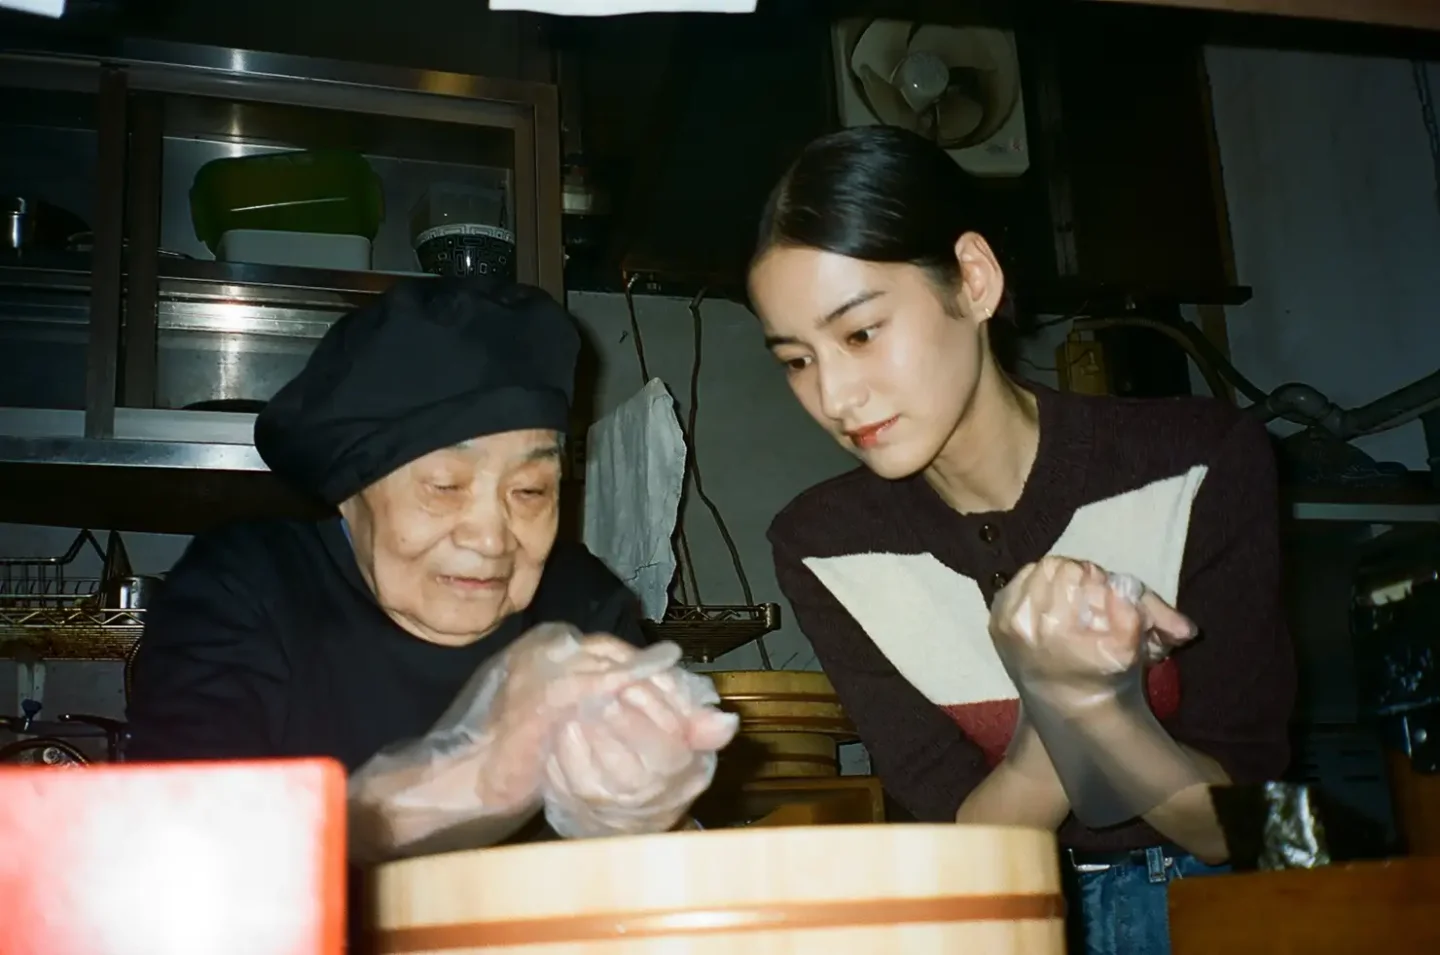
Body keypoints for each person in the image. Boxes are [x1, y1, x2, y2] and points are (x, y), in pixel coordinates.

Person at [748, 126, 1295, 955]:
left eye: (860, 332)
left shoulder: (1195, 460)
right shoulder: (823, 546)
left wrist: (1096, 704)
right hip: (1004, 919)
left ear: (972, 279)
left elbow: (1243, 829)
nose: (834, 395)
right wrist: (1058, 703)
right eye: (795, 359)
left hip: (1214, 908)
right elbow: (962, 847)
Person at [125, 278, 723, 885]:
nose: (492, 538)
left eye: (531, 491)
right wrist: (462, 783)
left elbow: (665, 876)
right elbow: (191, 842)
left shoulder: (581, 600)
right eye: (444, 485)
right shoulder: (247, 585)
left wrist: (655, 812)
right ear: (350, 491)